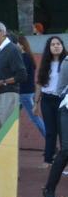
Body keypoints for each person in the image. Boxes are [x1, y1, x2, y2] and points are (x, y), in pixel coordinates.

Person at [0, 21, 27, 138]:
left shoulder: (12, 49)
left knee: (7, 136)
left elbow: (22, 75)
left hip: (8, 95)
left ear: (2, 33)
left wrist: (1, 82)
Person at [41, 54, 68, 197]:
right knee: (65, 150)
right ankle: (49, 189)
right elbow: (61, 88)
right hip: (67, 109)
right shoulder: (67, 61)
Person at [36, 36, 66, 167]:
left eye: (58, 44)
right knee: (50, 131)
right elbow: (40, 83)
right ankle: (48, 159)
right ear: (49, 48)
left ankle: (64, 161)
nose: (56, 46)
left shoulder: (66, 61)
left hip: (62, 99)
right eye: (53, 44)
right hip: (47, 100)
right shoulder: (45, 64)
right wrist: (35, 103)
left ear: (62, 46)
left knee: (64, 132)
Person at [16, 34, 46, 140]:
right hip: (26, 92)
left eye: (16, 44)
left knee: (35, 118)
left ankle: (49, 141)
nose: (15, 46)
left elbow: (21, 76)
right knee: (9, 119)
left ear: (22, 45)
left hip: (24, 93)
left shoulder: (24, 57)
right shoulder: (27, 56)